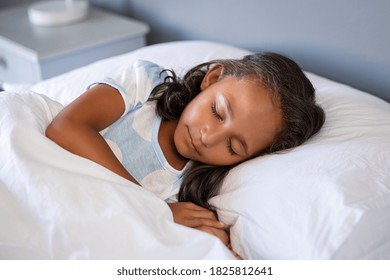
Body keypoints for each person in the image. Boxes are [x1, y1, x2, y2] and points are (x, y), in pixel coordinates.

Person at [46, 52, 325, 250]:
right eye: (217, 112)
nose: (208, 137)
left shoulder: (189, 190)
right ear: (213, 78)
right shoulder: (144, 85)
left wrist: (211, 243)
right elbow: (65, 127)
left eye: (233, 146)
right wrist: (153, 208)